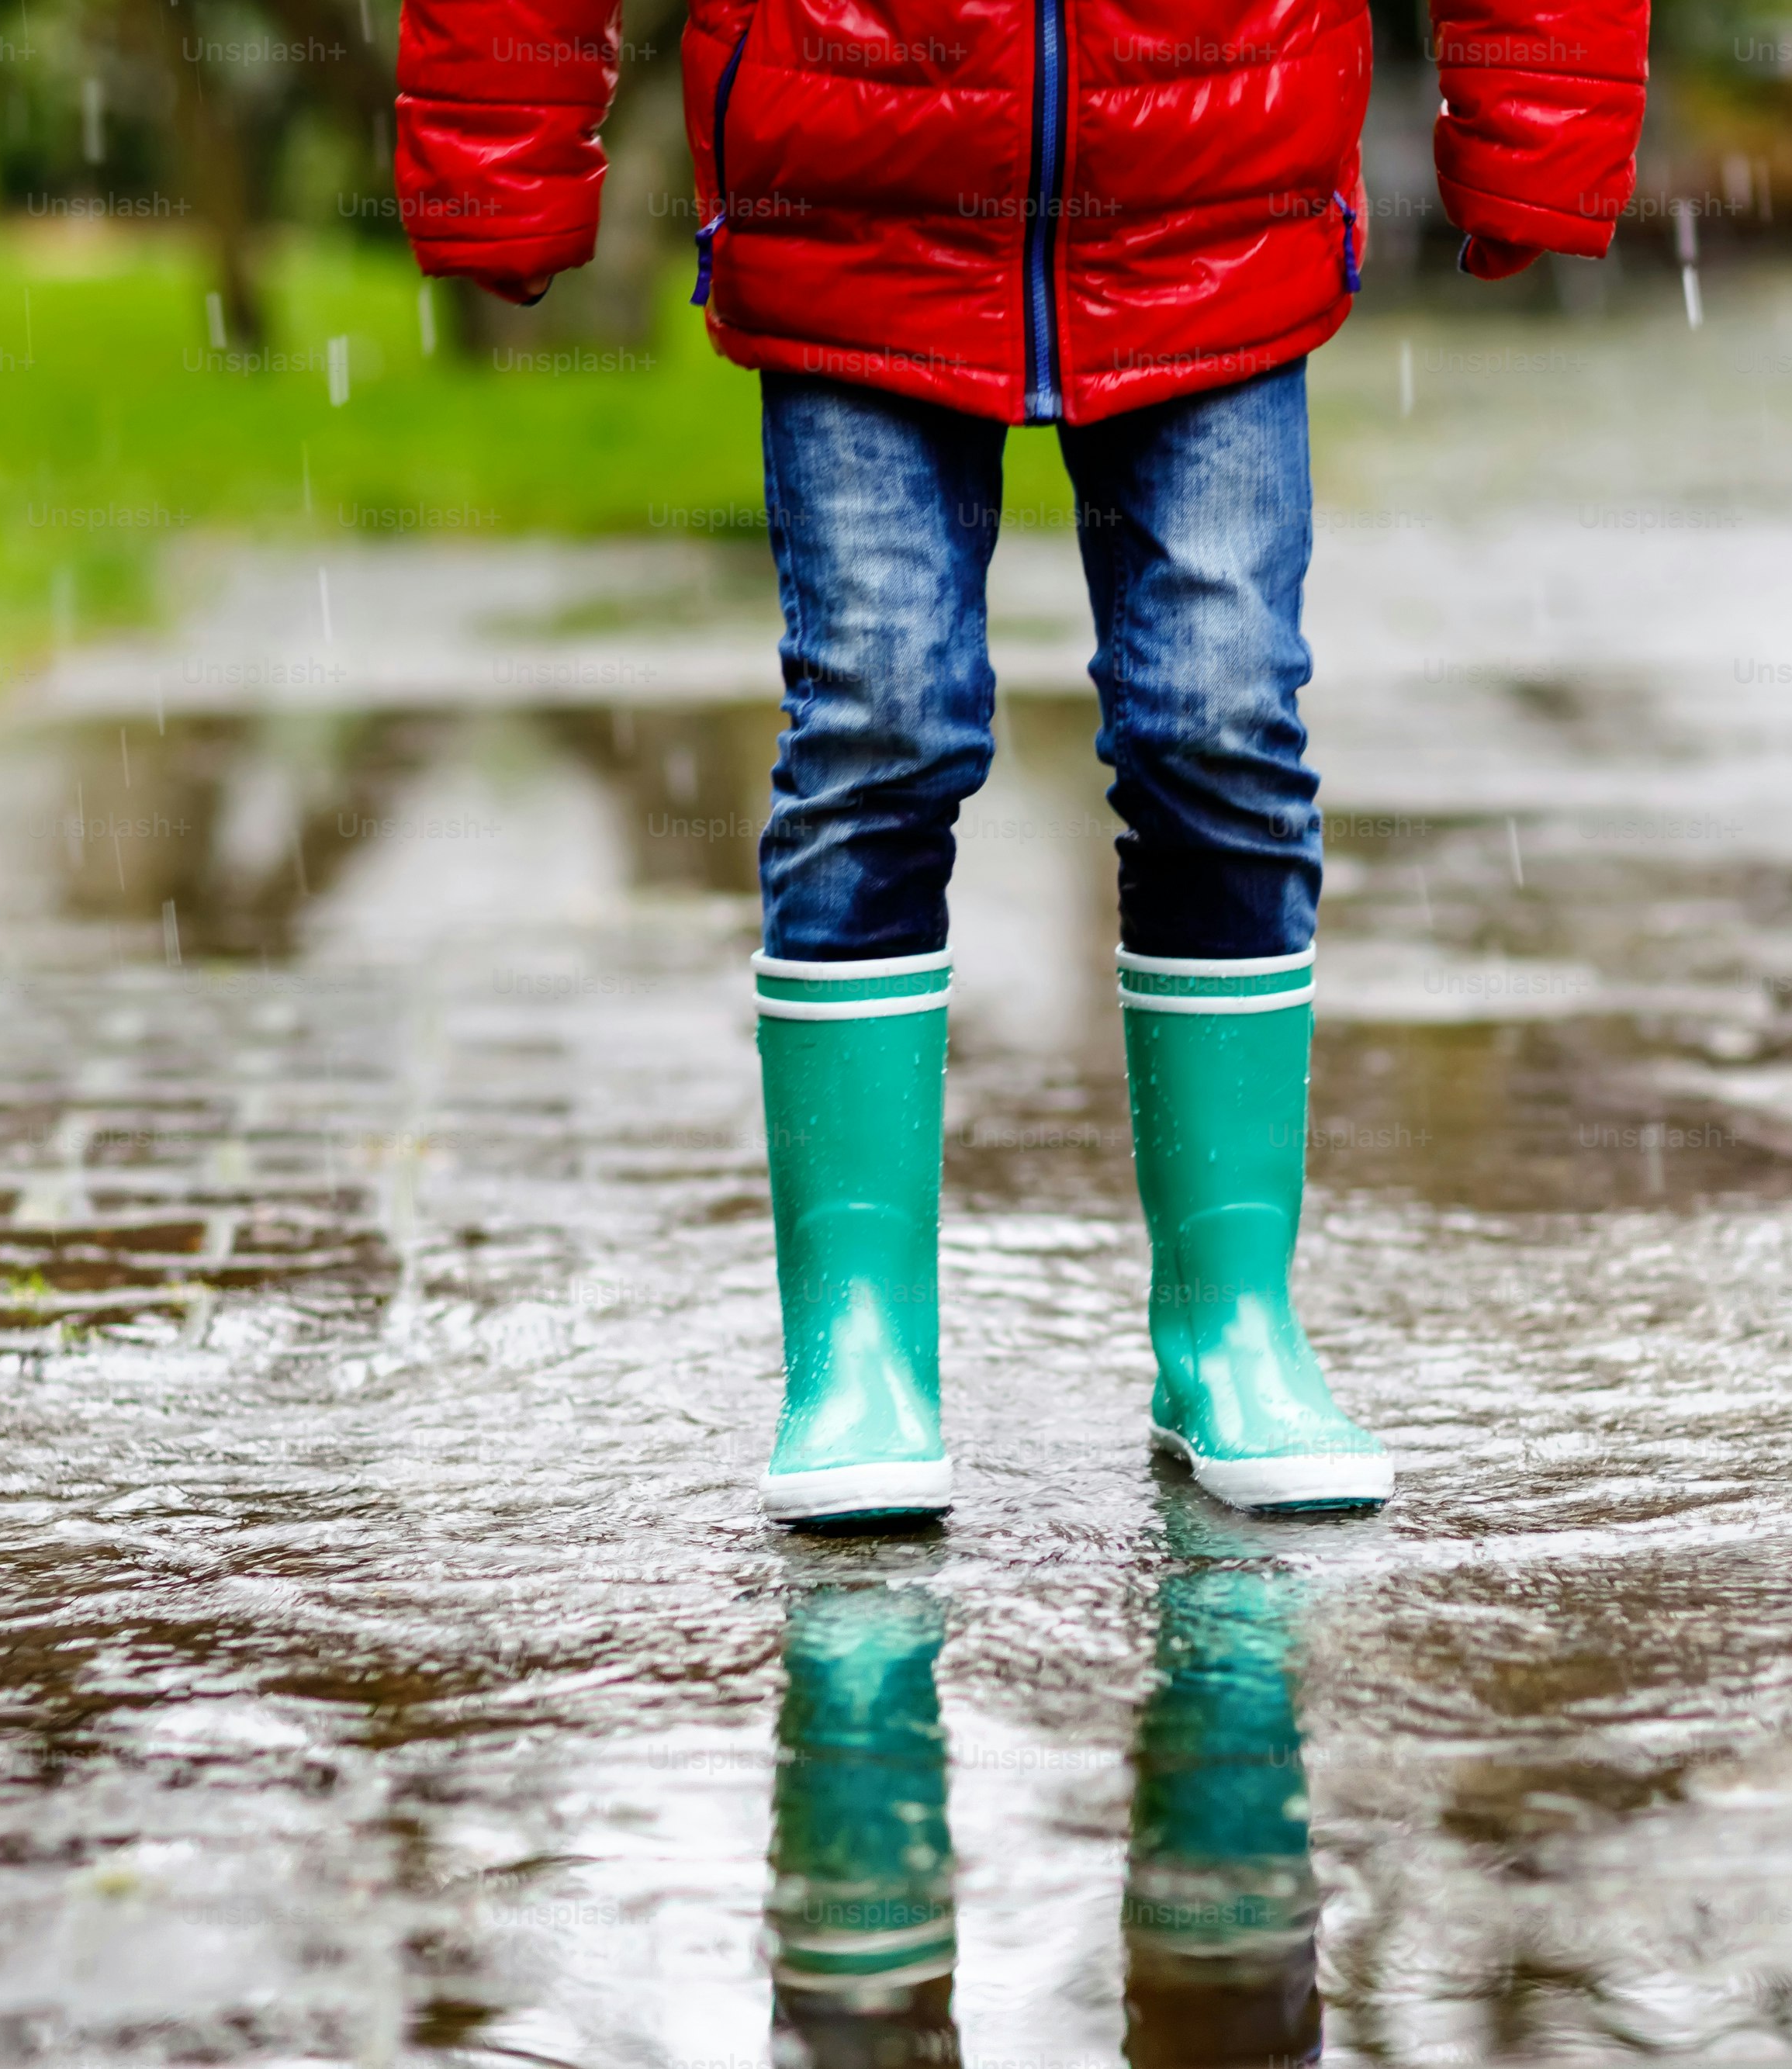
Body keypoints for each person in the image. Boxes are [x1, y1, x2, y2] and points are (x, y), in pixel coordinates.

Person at [394, 0, 1652, 1523]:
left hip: (1214, 176)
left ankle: (1229, 1326)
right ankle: (854, 1352)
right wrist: (496, 151)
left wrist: (1539, 120)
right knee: (875, 725)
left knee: (1220, 724)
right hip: (854, 184)